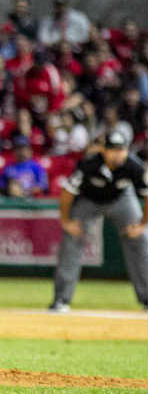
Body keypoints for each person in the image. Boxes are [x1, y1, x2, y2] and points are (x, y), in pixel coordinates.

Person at [50, 131, 148, 312]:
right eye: (113, 150)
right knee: (72, 238)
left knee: (140, 240)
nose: (118, 154)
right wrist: (66, 221)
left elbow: (146, 194)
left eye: (122, 150)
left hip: (122, 199)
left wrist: (142, 224)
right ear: (104, 150)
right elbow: (67, 192)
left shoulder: (134, 166)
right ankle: (61, 299)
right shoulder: (89, 164)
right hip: (89, 201)